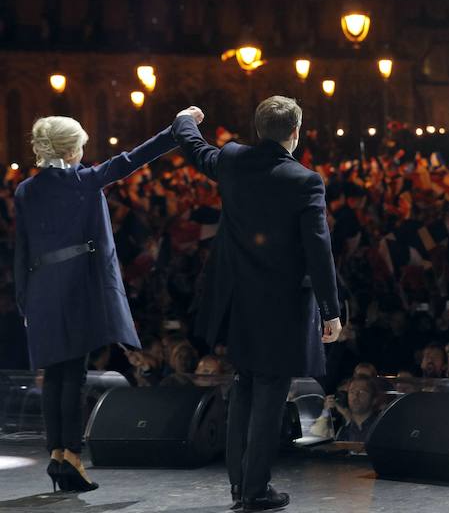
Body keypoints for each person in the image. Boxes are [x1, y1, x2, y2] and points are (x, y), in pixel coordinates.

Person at [172, 99, 342, 512]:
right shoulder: (305, 181)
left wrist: (185, 120)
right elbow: (318, 250)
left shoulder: (232, 159)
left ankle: (239, 487)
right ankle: (255, 490)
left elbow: (195, 148)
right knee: (269, 393)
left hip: (239, 303)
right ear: (295, 131)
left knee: (244, 388)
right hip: (281, 306)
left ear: (257, 127)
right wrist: (331, 309)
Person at [14, 115, 180, 492]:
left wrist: (25, 299)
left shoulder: (26, 190)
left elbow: (21, 248)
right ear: (71, 149)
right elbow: (132, 159)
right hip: (74, 287)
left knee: (54, 374)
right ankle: (70, 455)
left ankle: (58, 454)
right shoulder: (82, 181)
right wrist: (176, 129)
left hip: (40, 288)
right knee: (71, 375)